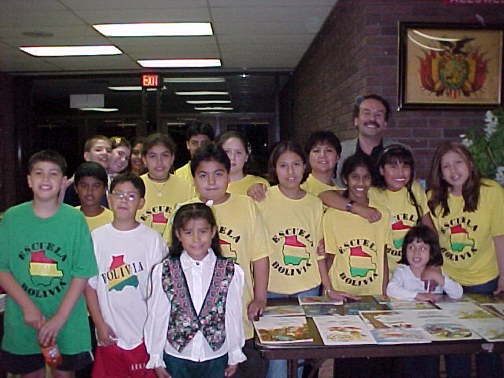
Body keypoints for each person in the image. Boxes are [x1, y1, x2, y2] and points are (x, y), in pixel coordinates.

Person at [163, 143, 270, 378]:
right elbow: (170, 266)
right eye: (203, 175)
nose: (211, 181)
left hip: (240, 315)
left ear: (229, 175)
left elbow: (260, 256)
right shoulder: (183, 211)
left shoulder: (247, 206)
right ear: (193, 179)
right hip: (194, 325)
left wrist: (260, 297)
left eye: (218, 174)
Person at [256, 141, 353, 378]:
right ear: (274, 169)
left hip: (306, 289)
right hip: (272, 290)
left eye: (296, 165)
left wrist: (326, 287)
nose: (290, 172)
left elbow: (319, 251)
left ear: (304, 166)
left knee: (299, 361)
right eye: (283, 166)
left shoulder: (314, 203)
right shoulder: (261, 199)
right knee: (278, 363)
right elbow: (256, 250)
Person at [0, 150, 97, 378]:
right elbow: (3, 268)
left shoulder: (74, 219)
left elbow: (82, 272)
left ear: (64, 182)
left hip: (68, 319)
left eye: (53, 174)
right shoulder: (12, 218)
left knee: (63, 374)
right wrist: (27, 306)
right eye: (39, 173)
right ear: (29, 180)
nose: (45, 179)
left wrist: (59, 318)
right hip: (23, 318)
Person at [428, 141, 504, 378]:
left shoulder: (491, 191)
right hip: (451, 283)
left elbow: (499, 236)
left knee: (487, 347)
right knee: (456, 348)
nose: (454, 171)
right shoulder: (434, 198)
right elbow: (433, 240)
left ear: (470, 163)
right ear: (440, 172)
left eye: (458, 162)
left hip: (485, 281)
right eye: (446, 166)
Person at [145, 203, 246, 378]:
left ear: (213, 232)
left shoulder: (230, 271)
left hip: (215, 355)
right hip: (177, 356)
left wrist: (234, 352)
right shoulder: (164, 270)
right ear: (178, 234)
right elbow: (157, 315)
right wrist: (156, 356)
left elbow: (232, 314)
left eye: (203, 231)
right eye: (188, 232)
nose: (196, 239)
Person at [84, 172, 167, 378]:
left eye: (131, 196)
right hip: (110, 335)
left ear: (141, 202)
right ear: (109, 198)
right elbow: (89, 286)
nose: (123, 200)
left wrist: (156, 333)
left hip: (145, 336)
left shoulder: (152, 240)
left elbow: (162, 291)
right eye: (118, 194)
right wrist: (99, 324)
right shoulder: (96, 238)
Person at [323, 154, 392, 378]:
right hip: (343, 295)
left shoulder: (382, 215)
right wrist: (327, 291)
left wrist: (384, 292)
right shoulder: (333, 215)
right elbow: (330, 257)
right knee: (348, 357)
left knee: (376, 358)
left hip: (373, 295)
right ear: (345, 178)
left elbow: (382, 257)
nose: (360, 183)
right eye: (355, 177)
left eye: (365, 177)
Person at [387, 225, 463, 378]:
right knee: (408, 369)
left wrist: (440, 279)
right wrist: (417, 295)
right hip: (407, 332)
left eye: (422, 248)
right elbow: (391, 289)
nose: (416, 252)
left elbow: (458, 294)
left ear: (431, 251)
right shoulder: (402, 271)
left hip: (432, 332)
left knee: (429, 368)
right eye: (411, 247)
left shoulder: (436, 271)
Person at [371, 145, 435, 273]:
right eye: (393, 167)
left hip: (413, 270)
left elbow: (430, 230)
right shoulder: (371, 193)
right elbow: (329, 195)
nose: (400, 173)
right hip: (383, 270)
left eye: (405, 167)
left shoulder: (415, 189)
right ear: (382, 170)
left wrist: (433, 266)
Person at [337, 94, 405, 186]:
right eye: (367, 113)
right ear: (356, 120)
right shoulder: (341, 151)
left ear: (385, 123)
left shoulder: (402, 151)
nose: (372, 118)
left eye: (379, 114)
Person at [137, 133, 194, 235]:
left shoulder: (187, 187)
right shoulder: (134, 185)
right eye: (152, 156)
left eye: (165, 156)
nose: (159, 162)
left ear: (172, 158)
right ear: (144, 160)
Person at [63, 135, 112, 206]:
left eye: (109, 151)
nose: (105, 153)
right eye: (98, 150)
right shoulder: (75, 184)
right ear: (87, 156)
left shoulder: (114, 182)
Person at [216, 130, 269, 196]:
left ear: (246, 157)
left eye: (238, 152)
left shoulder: (260, 184)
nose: (232, 157)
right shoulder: (208, 184)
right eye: (227, 152)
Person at [74, 161, 113, 231]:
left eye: (96, 186)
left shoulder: (114, 220)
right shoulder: (67, 216)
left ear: (105, 188)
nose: (89, 191)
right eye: (84, 186)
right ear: (76, 188)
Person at [302, 130, 342, 195]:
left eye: (329, 150)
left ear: (338, 157)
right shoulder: (300, 191)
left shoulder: (345, 194)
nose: (322, 155)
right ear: (308, 157)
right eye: (316, 151)